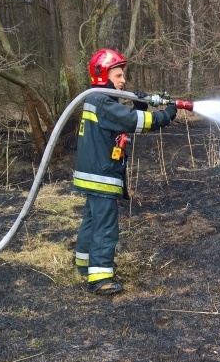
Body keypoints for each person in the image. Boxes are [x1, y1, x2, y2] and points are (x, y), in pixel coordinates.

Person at [73, 48, 177, 294]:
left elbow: (123, 121)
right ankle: (100, 278)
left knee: (92, 220)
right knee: (105, 226)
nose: (123, 81)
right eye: (118, 75)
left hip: (92, 172)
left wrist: (140, 105)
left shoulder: (96, 100)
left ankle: (85, 263)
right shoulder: (102, 102)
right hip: (102, 174)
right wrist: (167, 115)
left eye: (123, 75)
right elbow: (135, 122)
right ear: (103, 76)